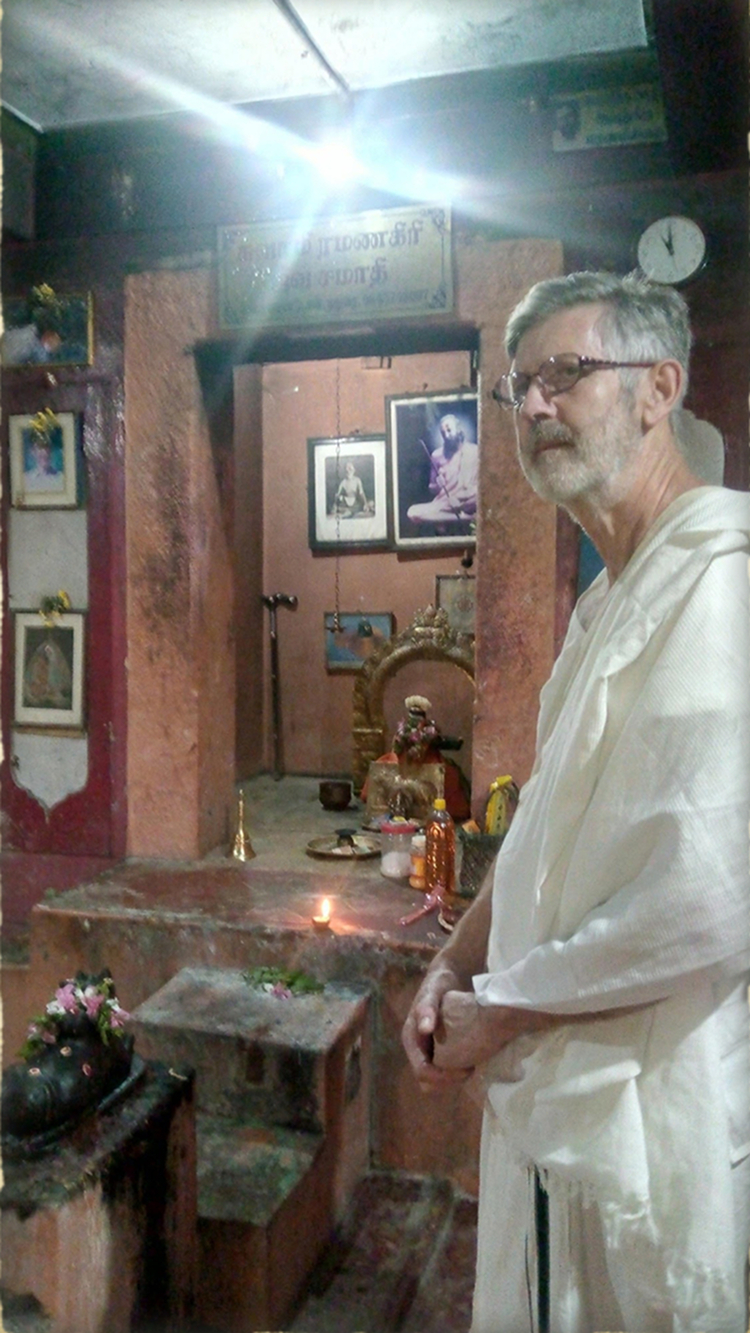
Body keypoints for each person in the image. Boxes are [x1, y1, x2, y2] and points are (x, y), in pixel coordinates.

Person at [402, 271, 750, 1332]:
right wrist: (452, 959)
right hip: (555, 1089)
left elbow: (705, 891)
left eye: (567, 373)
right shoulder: (609, 598)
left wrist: (497, 1011)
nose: (536, 405)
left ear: (658, 390)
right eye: (519, 387)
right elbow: (549, 829)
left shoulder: (725, 582)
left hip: (653, 1107)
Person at [407, 413, 478, 526]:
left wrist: (461, 498)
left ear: (459, 429)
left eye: (449, 430)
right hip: (445, 503)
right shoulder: (437, 455)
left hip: (468, 500)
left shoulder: (474, 451)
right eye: (443, 433)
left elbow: (482, 485)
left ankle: (454, 516)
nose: (446, 435)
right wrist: (438, 484)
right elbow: (432, 488)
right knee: (412, 512)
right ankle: (463, 518)